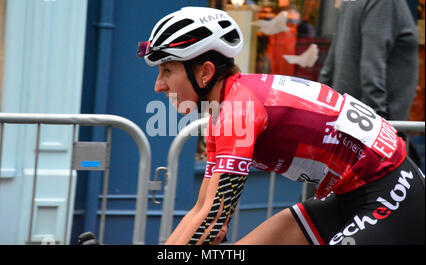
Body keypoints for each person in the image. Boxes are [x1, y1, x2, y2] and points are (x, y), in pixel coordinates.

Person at [135, 6, 425, 245]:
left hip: (393, 193)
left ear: (205, 72)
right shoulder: (224, 111)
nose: (159, 86)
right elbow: (201, 211)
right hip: (352, 195)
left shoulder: (239, 110)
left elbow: (211, 221)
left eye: (167, 71)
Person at [318, 0, 421, 167]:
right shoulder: (385, 3)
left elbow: (328, 69)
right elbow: (372, 68)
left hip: (349, 130)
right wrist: (378, 134)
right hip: (376, 135)